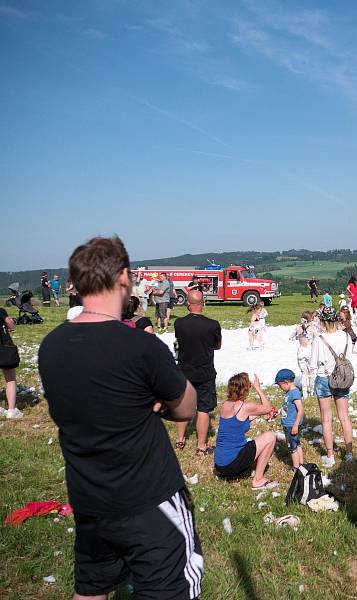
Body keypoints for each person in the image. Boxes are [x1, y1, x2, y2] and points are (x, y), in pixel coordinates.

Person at [38, 236, 202, 599]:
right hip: (148, 499)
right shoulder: (141, 347)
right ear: (124, 277)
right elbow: (187, 408)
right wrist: (160, 397)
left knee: (91, 589)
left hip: (89, 500)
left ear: (78, 281)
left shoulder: (51, 346)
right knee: (171, 588)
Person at [174, 290, 222, 455]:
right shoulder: (213, 324)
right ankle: (201, 446)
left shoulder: (178, 323)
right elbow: (217, 345)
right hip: (205, 371)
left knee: (182, 406)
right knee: (203, 408)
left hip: (184, 371)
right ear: (203, 303)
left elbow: (179, 343)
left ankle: (180, 440)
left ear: (188, 304)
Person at [214, 373, 278, 489]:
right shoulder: (245, 407)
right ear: (245, 389)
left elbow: (237, 422)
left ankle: (241, 470)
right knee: (270, 437)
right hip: (231, 465)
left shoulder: (225, 405)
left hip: (220, 466)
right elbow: (268, 407)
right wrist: (258, 388)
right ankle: (258, 480)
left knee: (249, 443)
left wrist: (259, 416)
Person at [311, 306, 354, 467]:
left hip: (324, 378)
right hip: (342, 378)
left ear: (322, 320)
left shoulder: (319, 338)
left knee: (326, 419)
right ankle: (349, 453)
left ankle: (330, 454)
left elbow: (313, 363)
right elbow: (348, 357)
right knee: (344, 417)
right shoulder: (345, 336)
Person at [276, 368, 305, 470]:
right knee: (296, 443)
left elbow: (300, 410)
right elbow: (286, 406)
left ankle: (296, 467)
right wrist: (279, 411)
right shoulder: (289, 393)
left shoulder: (295, 393)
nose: (280, 388)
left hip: (291, 425)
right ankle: (301, 463)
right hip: (290, 424)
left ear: (286, 382)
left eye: (280, 385)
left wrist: (295, 425)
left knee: (292, 447)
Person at [0, 306, 22, 419]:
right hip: (3, 348)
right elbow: (10, 325)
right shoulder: (1, 311)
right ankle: (11, 410)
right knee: (10, 378)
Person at [290, 311, 317, 400]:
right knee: (311, 372)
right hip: (310, 351)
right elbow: (317, 339)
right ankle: (312, 391)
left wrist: (299, 337)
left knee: (304, 373)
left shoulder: (298, 328)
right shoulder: (313, 328)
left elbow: (291, 337)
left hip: (301, 351)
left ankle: (305, 393)